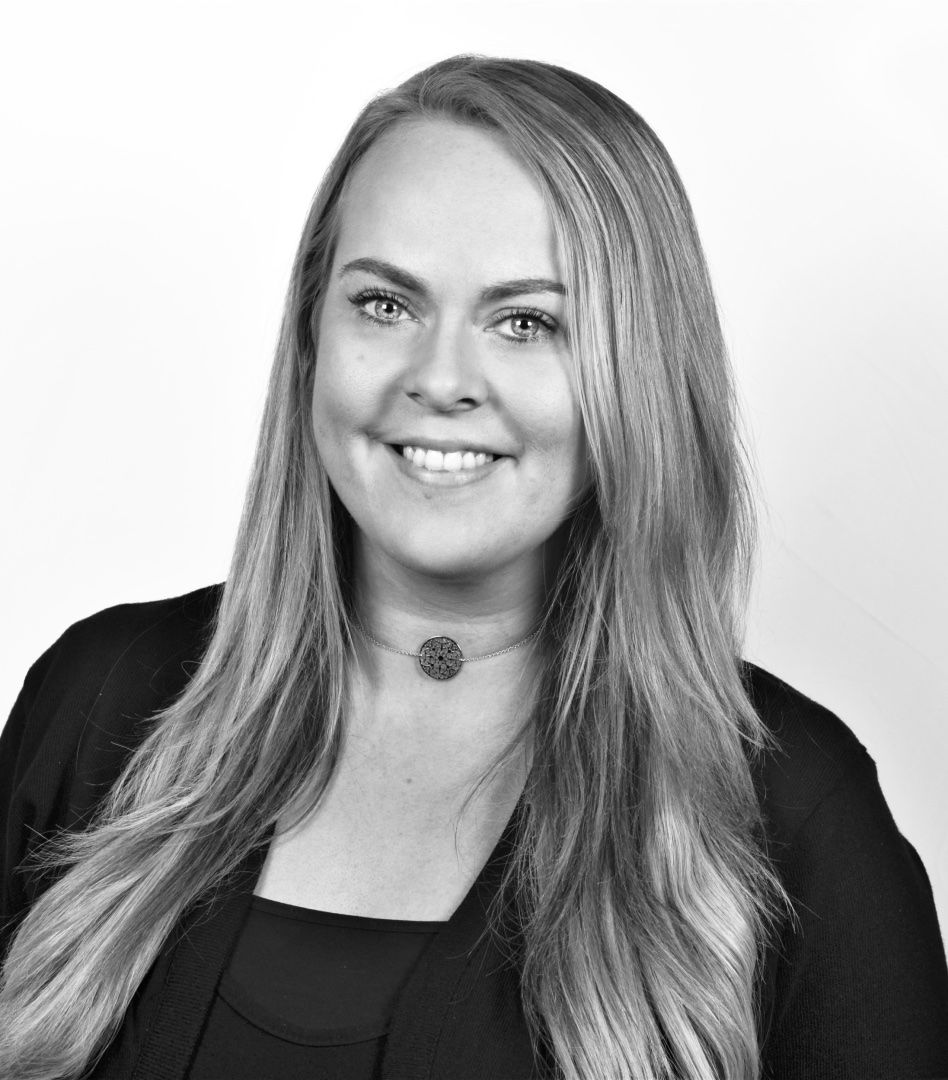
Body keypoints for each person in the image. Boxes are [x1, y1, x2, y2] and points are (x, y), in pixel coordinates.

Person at [1, 53, 946, 1080]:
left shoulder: (793, 815)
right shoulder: (100, 700)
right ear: (311, 338)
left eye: (527, 321)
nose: (441, 377)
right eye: (386, 305)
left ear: (634, 376)